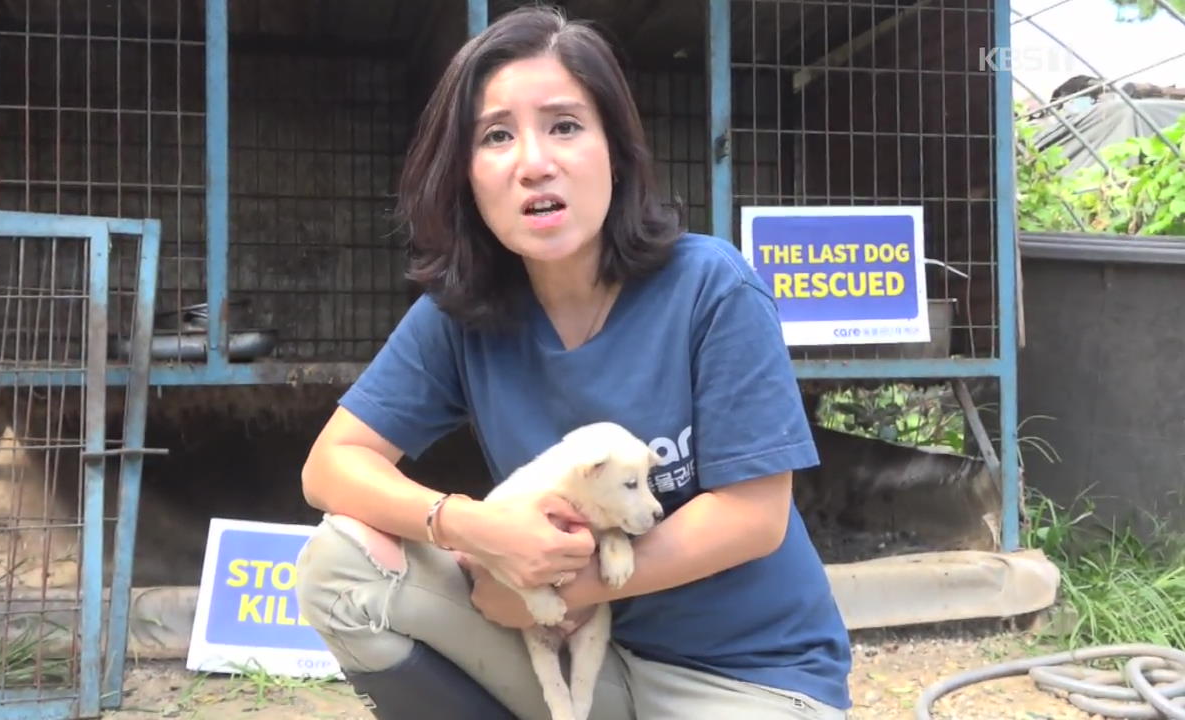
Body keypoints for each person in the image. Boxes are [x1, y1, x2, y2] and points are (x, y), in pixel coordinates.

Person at [293, 5, 852, 719]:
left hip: (744, 678)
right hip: (565, 662)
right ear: (466, 173)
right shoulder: (462, 312)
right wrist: (474, 528)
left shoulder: (710, 286)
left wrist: (557, 585)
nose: (534, 163)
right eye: (497, 136)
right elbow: (330, 466)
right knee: (342, 565)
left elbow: (754, 517)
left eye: (564, 125)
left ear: (614, 151)